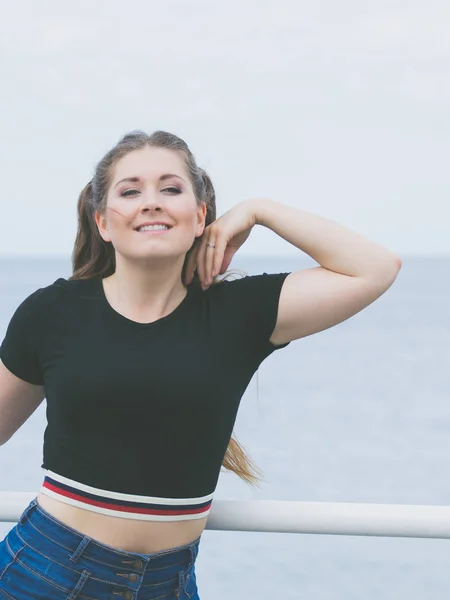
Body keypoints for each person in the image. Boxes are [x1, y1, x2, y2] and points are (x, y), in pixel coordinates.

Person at [0, 130, 401, 599]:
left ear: (201, 216)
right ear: (104, 222)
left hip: (170, 585)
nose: (151, 202)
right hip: (43, 573)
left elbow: (376, 267)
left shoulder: (240, 313)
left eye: (171, 189)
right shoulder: (53, 312)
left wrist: (258, 210)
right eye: (130, 191)